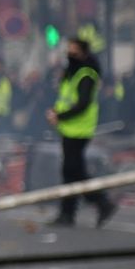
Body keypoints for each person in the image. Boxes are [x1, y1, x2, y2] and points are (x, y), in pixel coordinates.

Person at [47, 35, 115, 228]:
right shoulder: (72, 73)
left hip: (79, 129)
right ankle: (69, 213)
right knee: (71, 172)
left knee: (73, 171)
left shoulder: (86, 74)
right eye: (69, 49)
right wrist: (56, 113)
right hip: (69, 128)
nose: (70, 53)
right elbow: (67, 99)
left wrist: (60, 116)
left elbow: (82, 104)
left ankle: (101, 202)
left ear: (83, 53)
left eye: (74, 50)